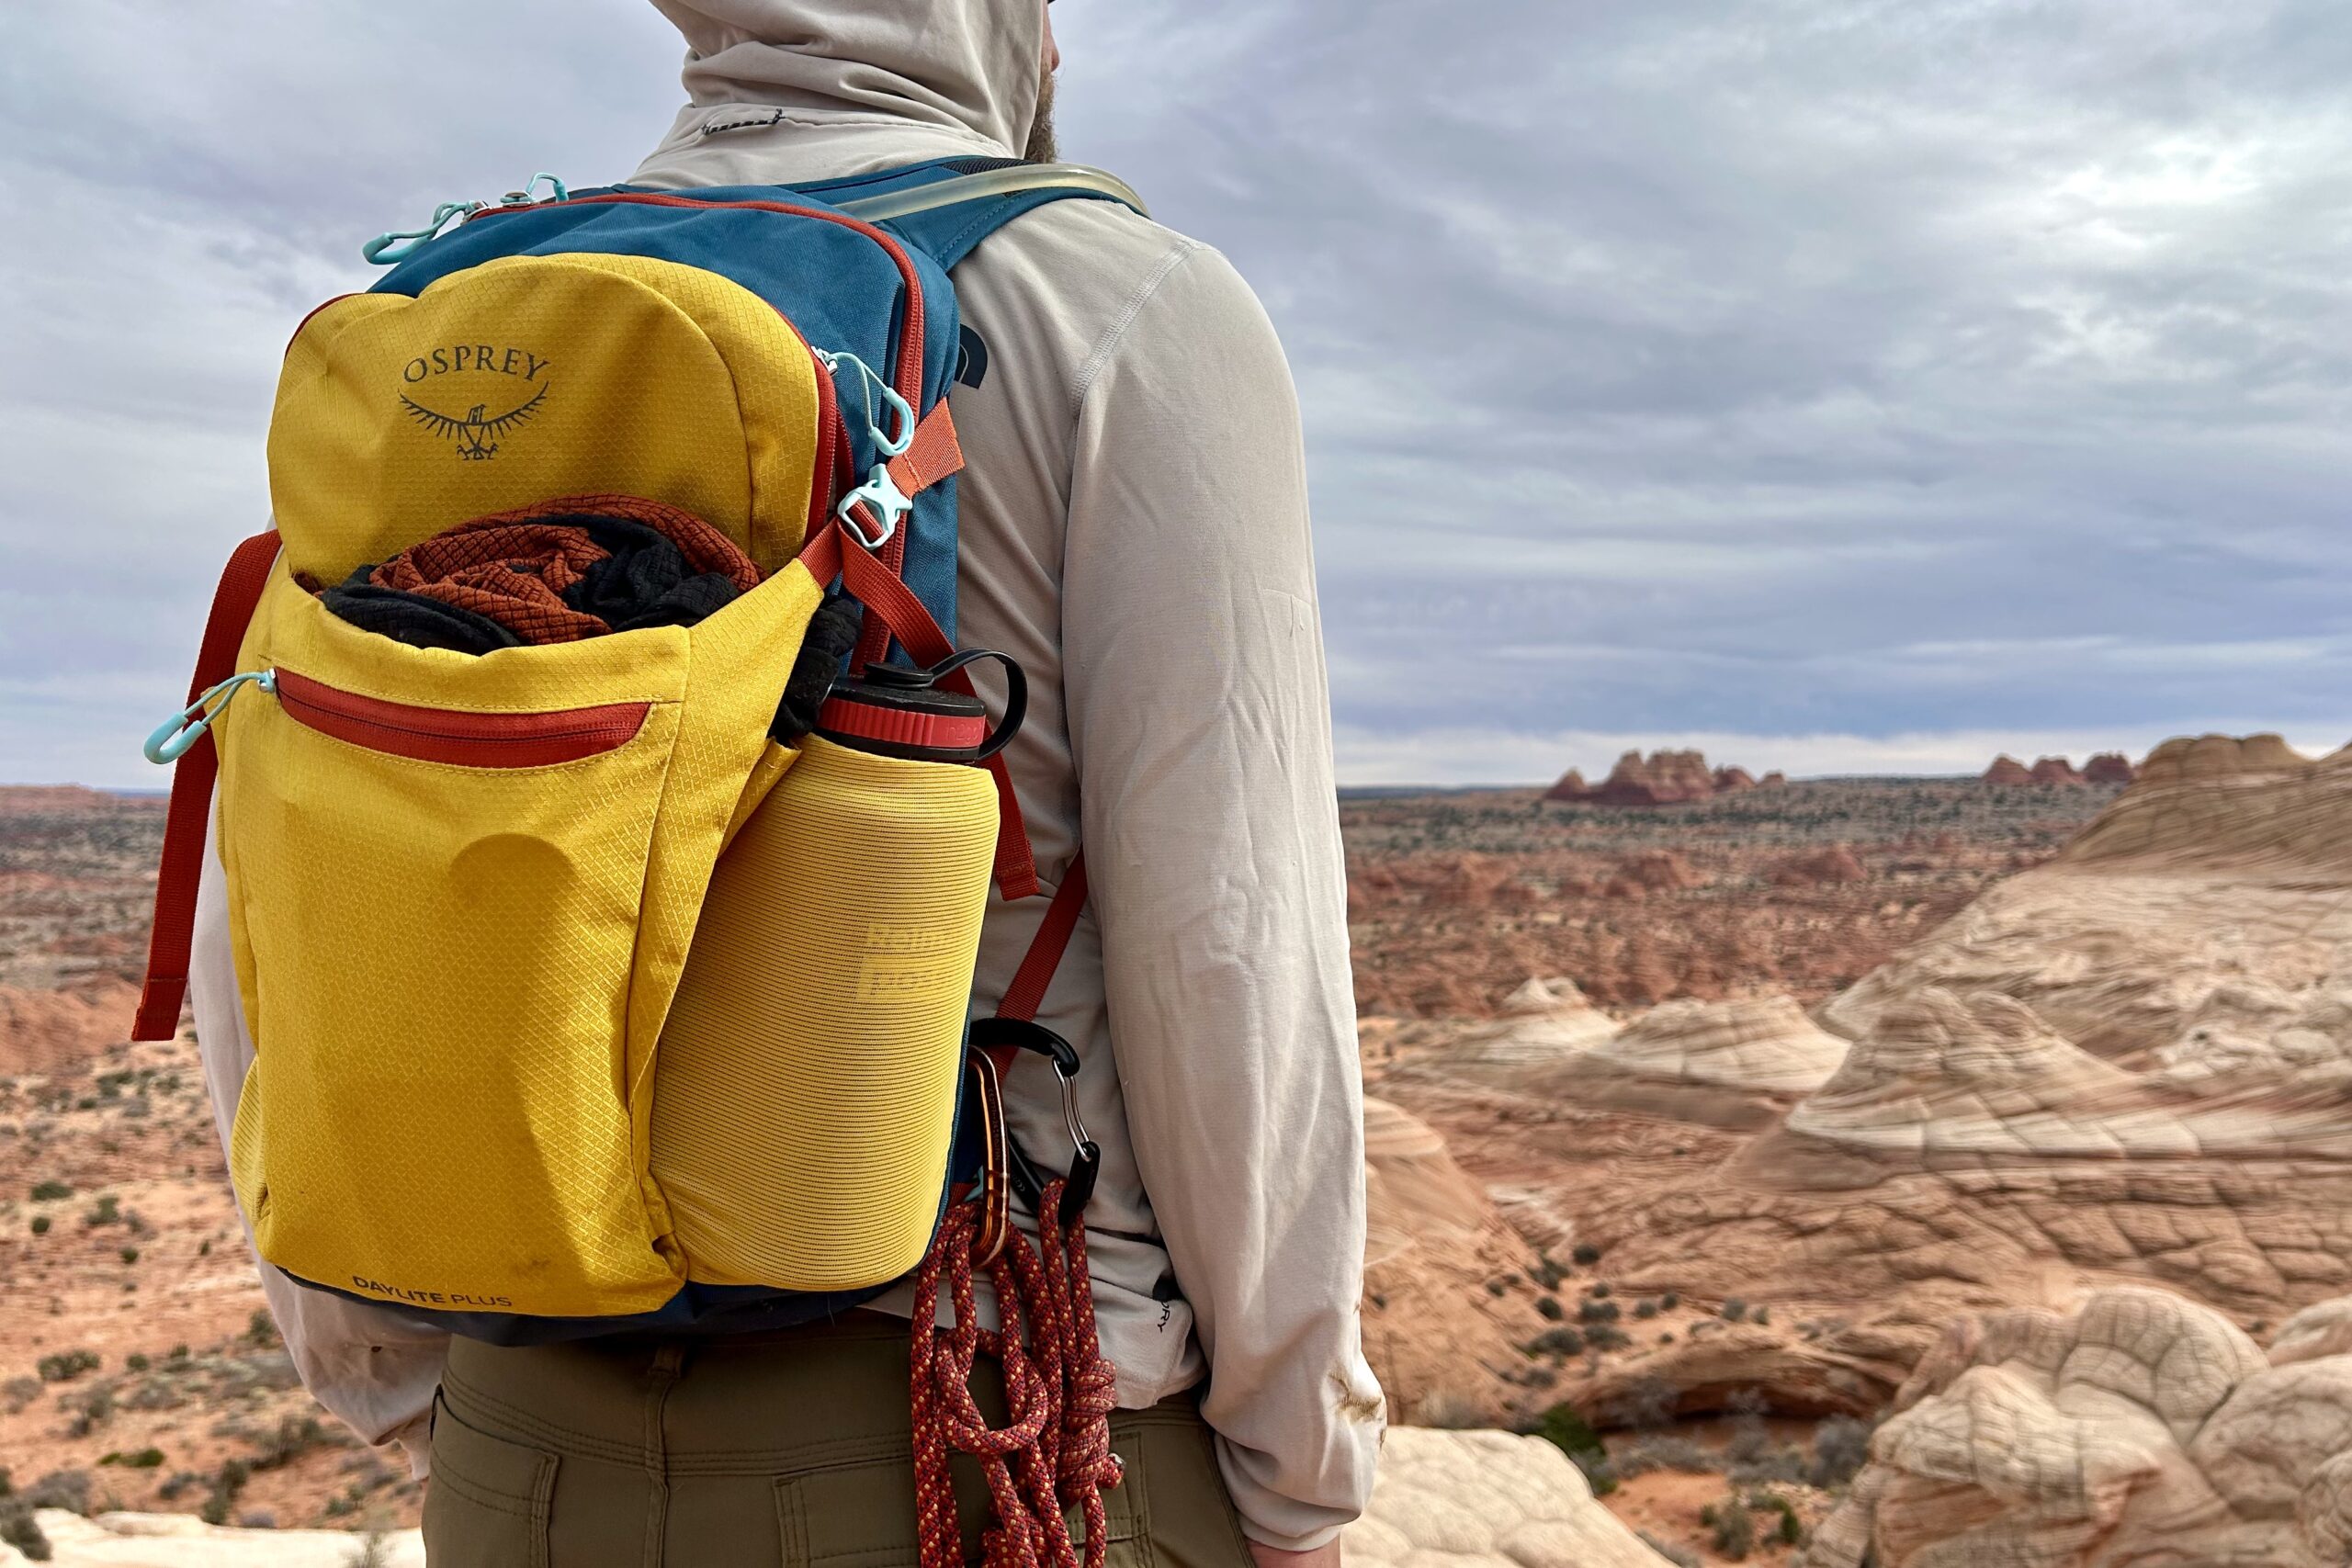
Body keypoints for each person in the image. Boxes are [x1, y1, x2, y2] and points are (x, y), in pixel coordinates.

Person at [187, 1, 1381, 1562]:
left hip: (516, 1442)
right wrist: (1302, 1480)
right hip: (978, 1430)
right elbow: (1234, 951)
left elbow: (271, 882)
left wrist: (396, 1381)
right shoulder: (1130, 304)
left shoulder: (459, 319)